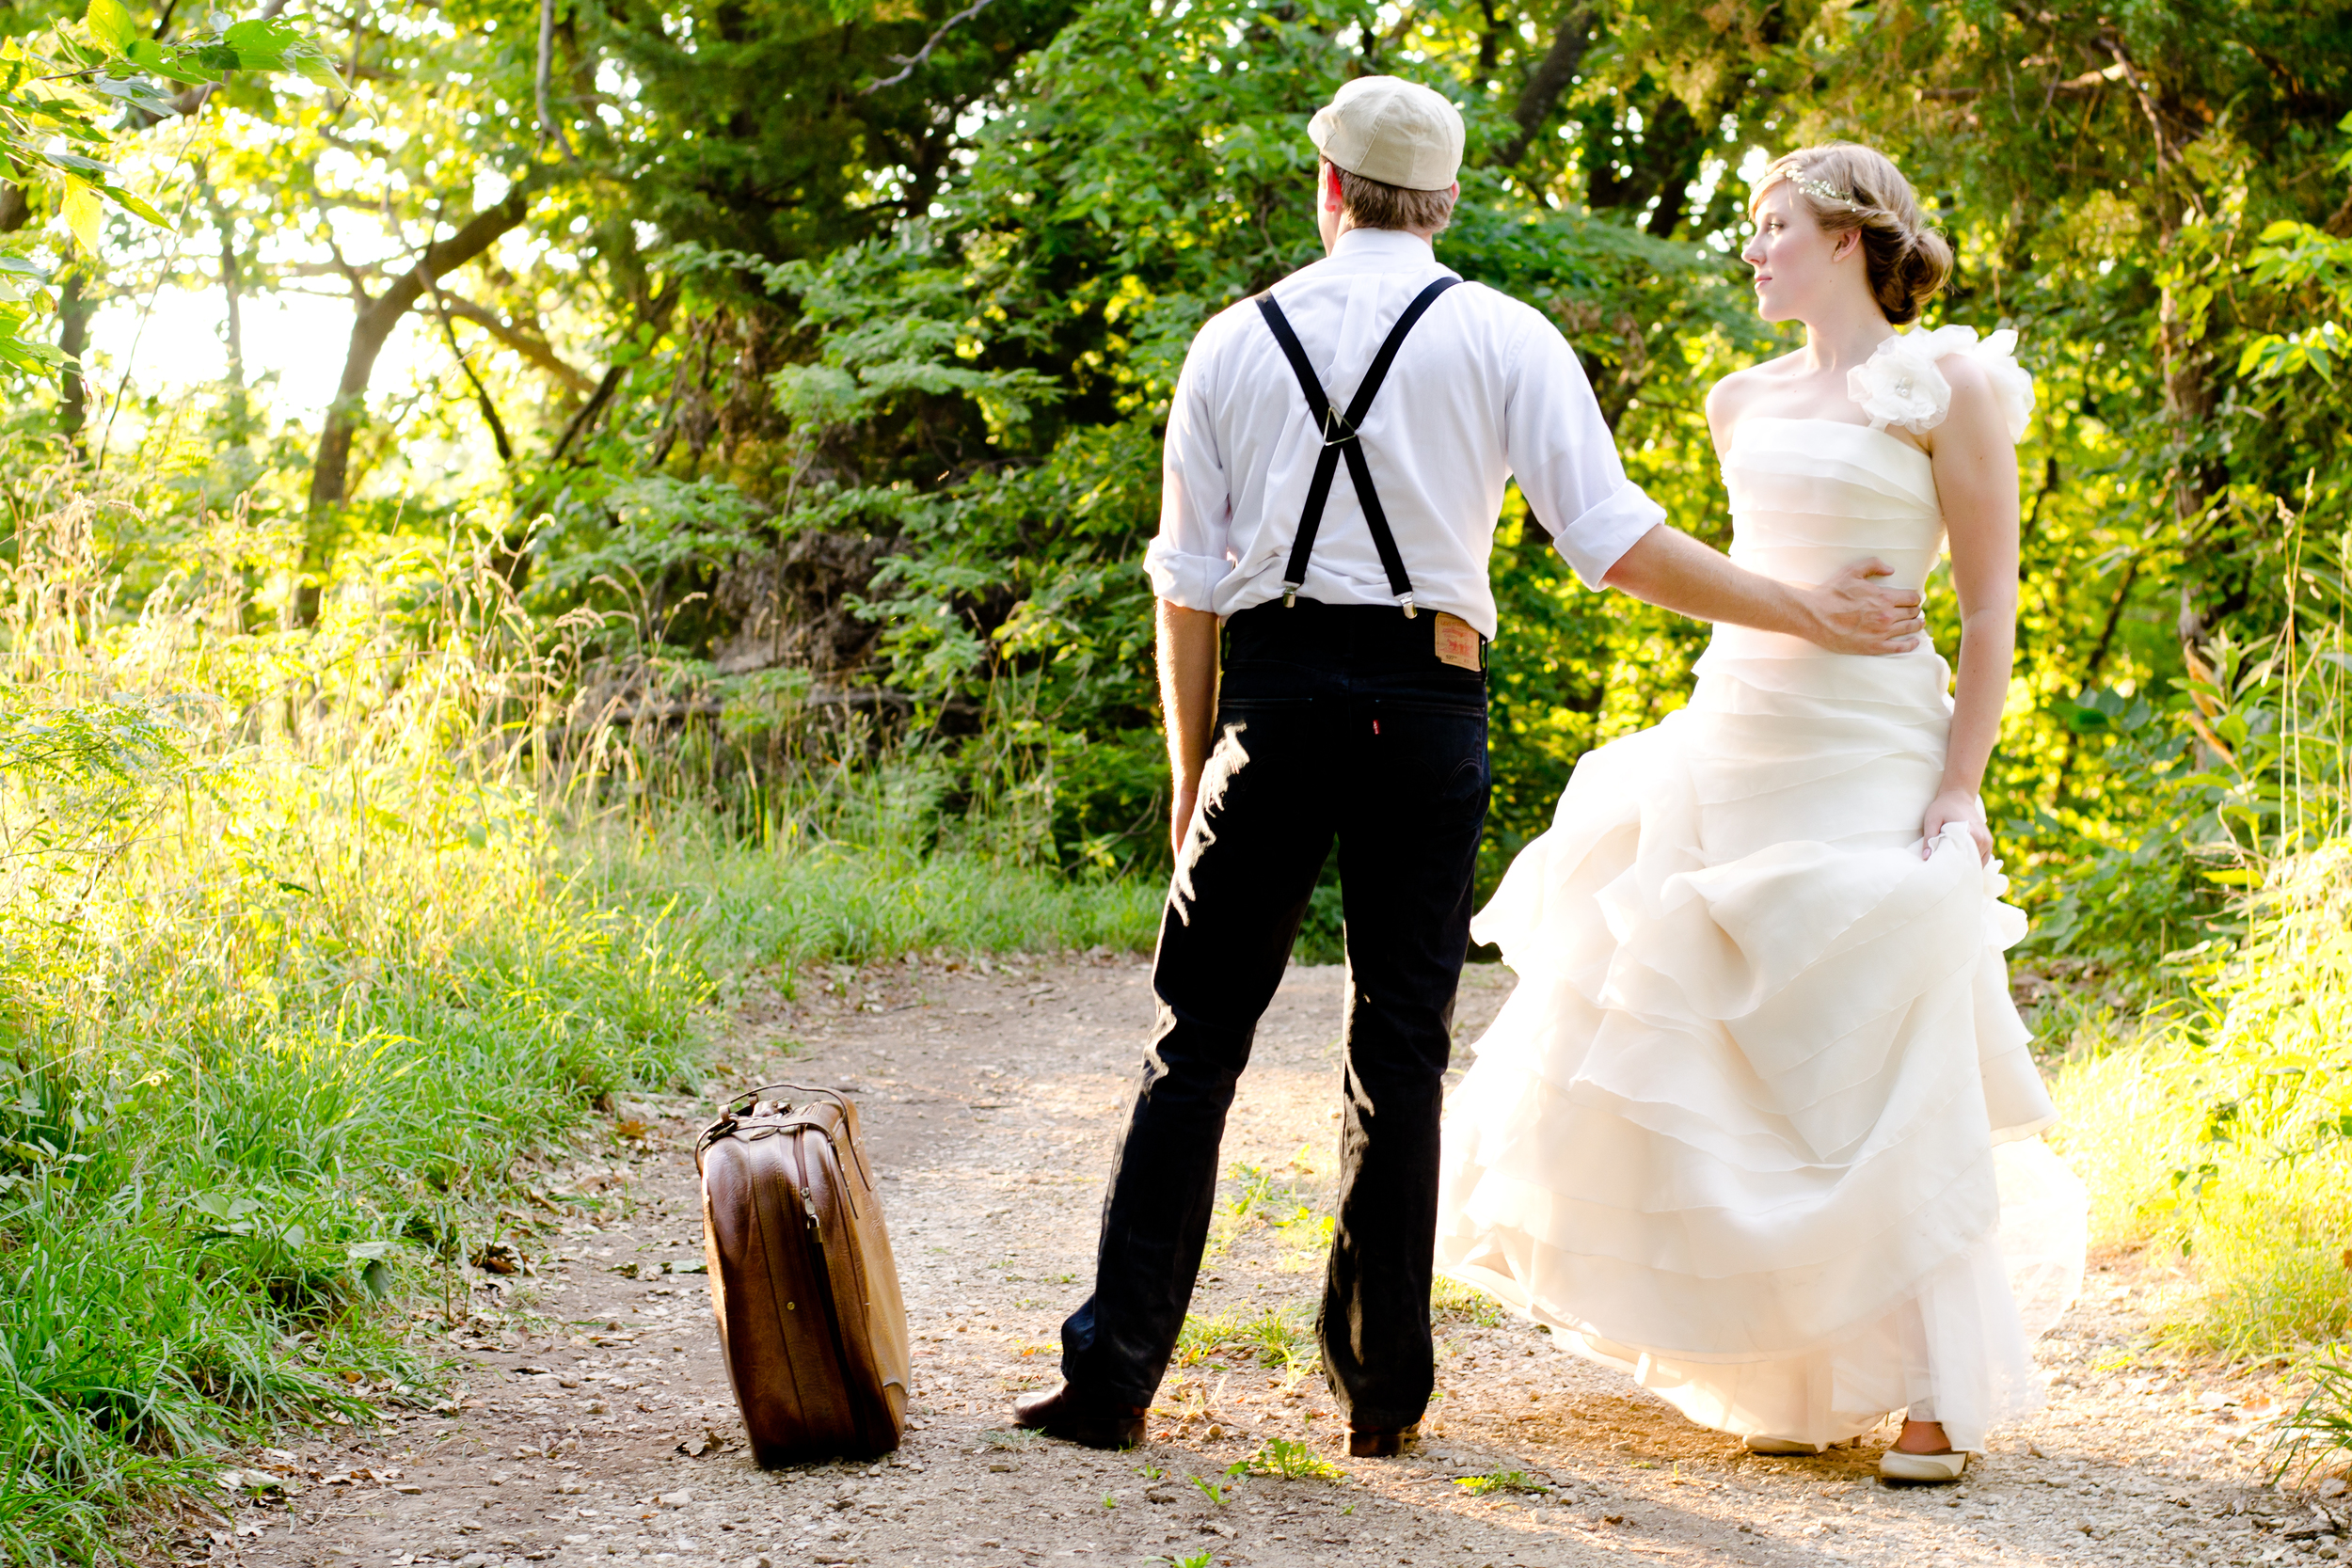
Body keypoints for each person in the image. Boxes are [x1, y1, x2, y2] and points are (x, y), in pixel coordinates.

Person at [1011, 82, 1929, 1458]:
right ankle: (1382, 1398)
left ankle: (1113, 1379)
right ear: (1442, 202)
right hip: (1423, 706)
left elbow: (1185, 589)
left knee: (1192, 1040)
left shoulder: (1227, 343)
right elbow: (1616, 544)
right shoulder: (1505, 335)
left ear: (1328, 187)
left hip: (1264, 702)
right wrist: (1804, 610)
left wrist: (1193, 770)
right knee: (1398, 1045)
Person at [1432, 142, 2088, 1484]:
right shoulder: (1739, 399)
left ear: (1849, 234)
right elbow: (1747, 582)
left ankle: (1926, 1394)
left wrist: (1962, 783)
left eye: (1774, 224)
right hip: (1742, 732)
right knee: (1726, 1046)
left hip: (1875, 746)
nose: (1753, 247)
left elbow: (1987, 609)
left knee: (1880, 1029)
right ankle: (1788, 1360)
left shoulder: (1951, 383)